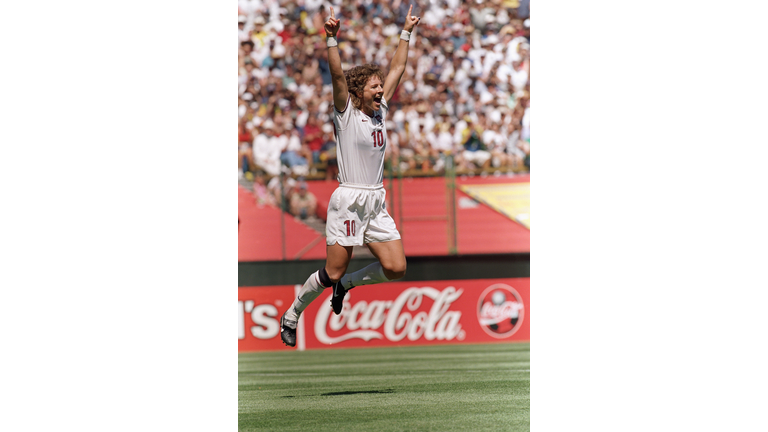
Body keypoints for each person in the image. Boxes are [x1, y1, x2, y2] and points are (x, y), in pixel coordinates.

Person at [279, 4, 420, 347]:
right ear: (359, 92)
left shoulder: (378, 111)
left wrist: (407, 32)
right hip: (349, 199)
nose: (379, 90)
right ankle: (293, 313)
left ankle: (348, 286)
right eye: (373, 86)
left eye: (379, 85)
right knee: (333, 271)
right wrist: (330, 39)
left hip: (375, 199)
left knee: (397, 267)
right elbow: (339, 77)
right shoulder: (346, 113)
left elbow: (398, 67)